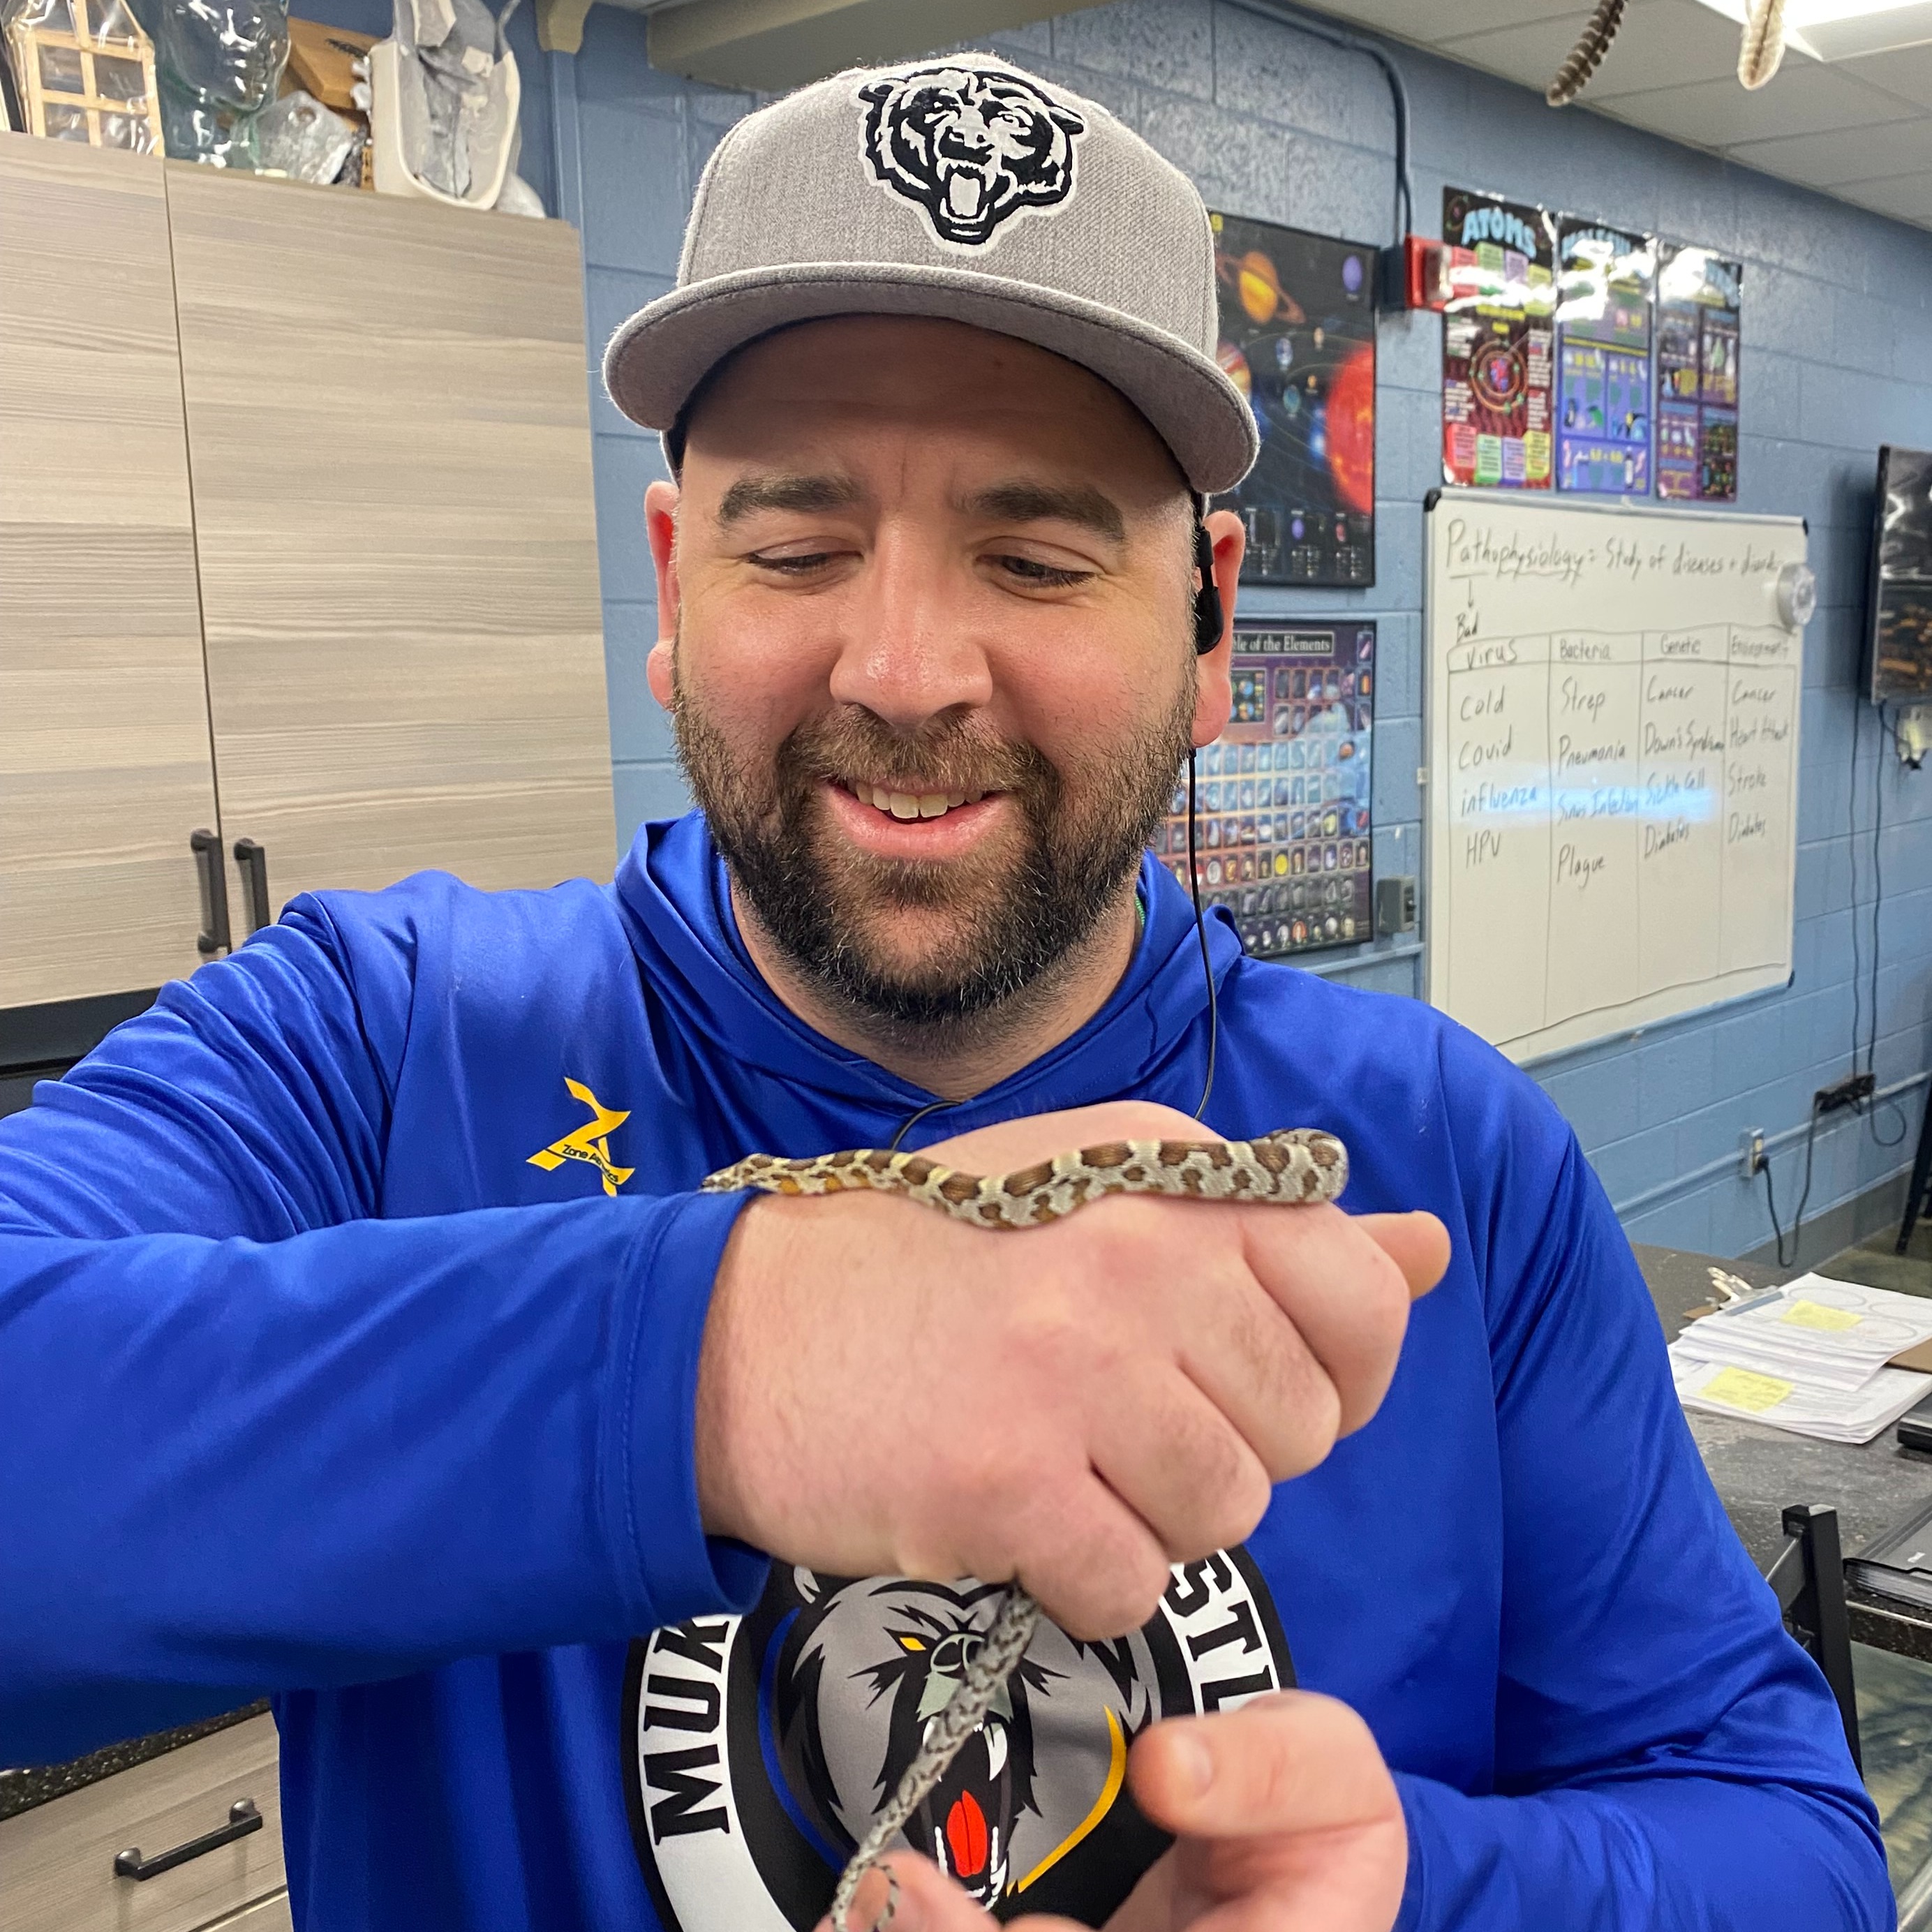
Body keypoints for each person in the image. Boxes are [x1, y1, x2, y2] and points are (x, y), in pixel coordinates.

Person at [0, 51, 1889, 1932]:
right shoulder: (376, 1041)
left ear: (1214, 618)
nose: (905, 669)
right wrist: (724, 1364)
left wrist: (1434, 1895)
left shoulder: (1443, 1165)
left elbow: (1793, 1851)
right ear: (674, 587)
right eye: (799, 546)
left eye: (1039, 555)